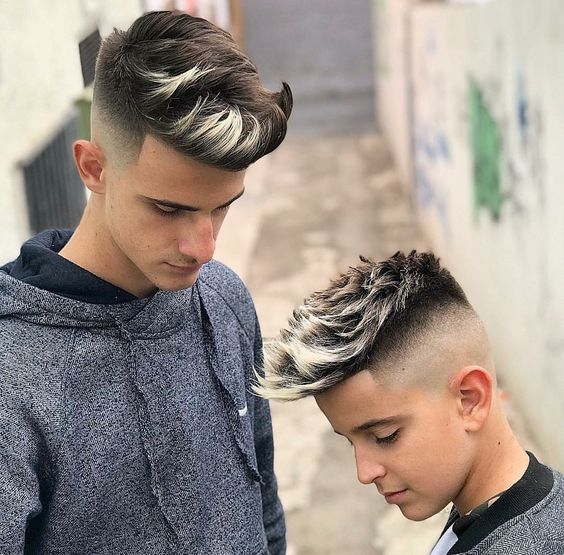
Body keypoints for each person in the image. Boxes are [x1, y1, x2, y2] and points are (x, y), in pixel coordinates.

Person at [0, 10, 292, 554]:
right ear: (93, 168)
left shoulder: (224, 297)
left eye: (221, 207)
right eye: (169, 208)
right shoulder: (12, 374)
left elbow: (264, 508)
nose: (203, 248)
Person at [256, 252, 564, 555]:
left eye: (385, 436)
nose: (365, 473)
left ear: (470, 399)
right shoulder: (502, 508)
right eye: (350, 441)